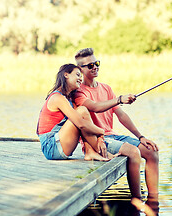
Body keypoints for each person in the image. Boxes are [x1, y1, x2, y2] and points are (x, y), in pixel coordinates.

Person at [73, 48, 159, 208]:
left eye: (96, 63)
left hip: (113, 135)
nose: (95, 67)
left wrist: (141, 137)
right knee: (134, 152)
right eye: (90, 65)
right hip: (97, 139)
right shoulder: (78, 92)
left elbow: (121, 115)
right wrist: (119, 99)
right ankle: (137, 203)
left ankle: (154, 201)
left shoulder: (106, 88)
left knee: (152, 152)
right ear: (80, 70)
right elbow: (96, 107)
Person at [37, 63, 115, 161]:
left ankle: (90, 152)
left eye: (81, 76)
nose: (80, 79)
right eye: (78, 75)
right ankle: (102, 153)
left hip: (59, 144)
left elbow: (82, 127)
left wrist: (100, 137)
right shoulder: (57, 97)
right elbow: (81, 124)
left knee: (82, 112)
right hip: (51, 147)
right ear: (66, 75)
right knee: (82, 111)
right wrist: (101, 132)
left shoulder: (68, 99)